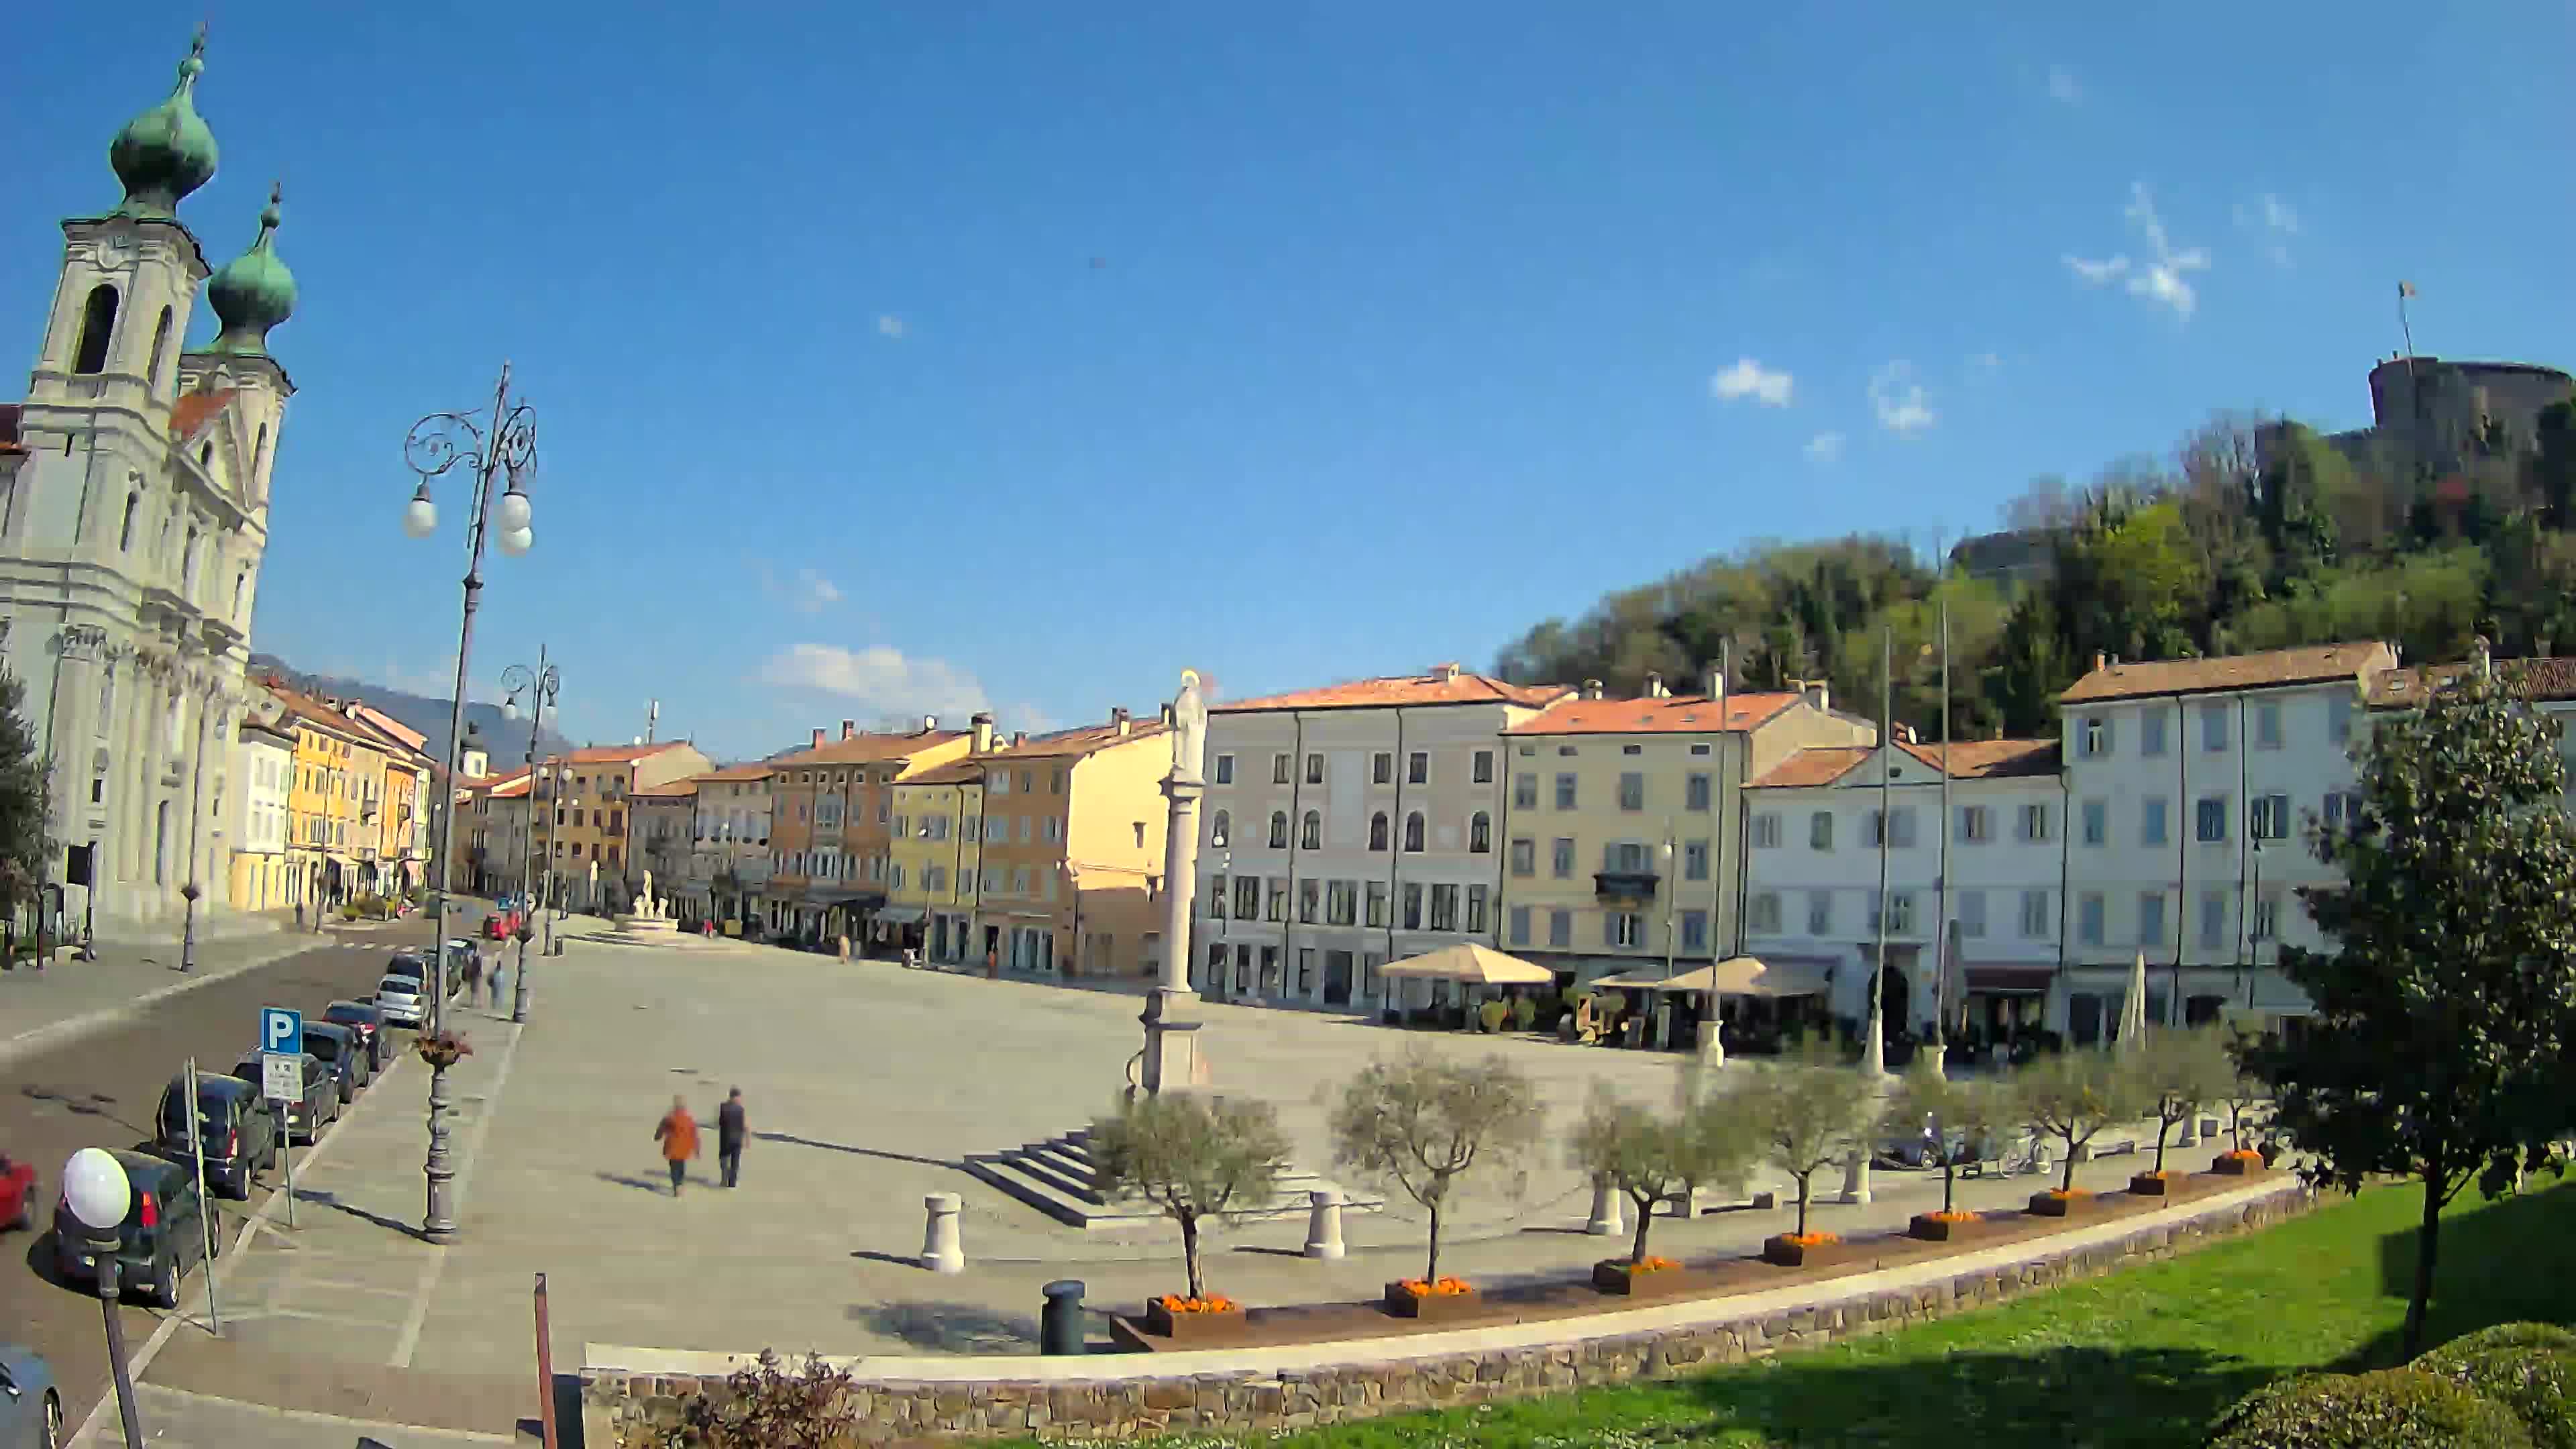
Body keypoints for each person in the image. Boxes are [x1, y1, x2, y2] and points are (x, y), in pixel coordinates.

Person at [654, 1096, 699, 1196]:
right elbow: (694, 1134)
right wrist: (697, 1149)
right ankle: (680, 1184)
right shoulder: (689, 1118)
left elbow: (661, 1129)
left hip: (673, 1146)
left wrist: (657, 1137)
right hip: (685, 1147)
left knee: (674, 1167)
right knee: (681, 1165)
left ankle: (677, 1186)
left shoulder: (669, 1117)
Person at [718, 1087, 747, 1189]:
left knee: (725, 1161)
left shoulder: (723, 1107)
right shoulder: (740, 1109)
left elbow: (720, 1122)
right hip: (737, 1140)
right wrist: (746, 1140)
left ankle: (725, 1180)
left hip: (726, 1139)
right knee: (735, 1163)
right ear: (737, 1097)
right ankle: (732, 1183)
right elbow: (744, 1125)